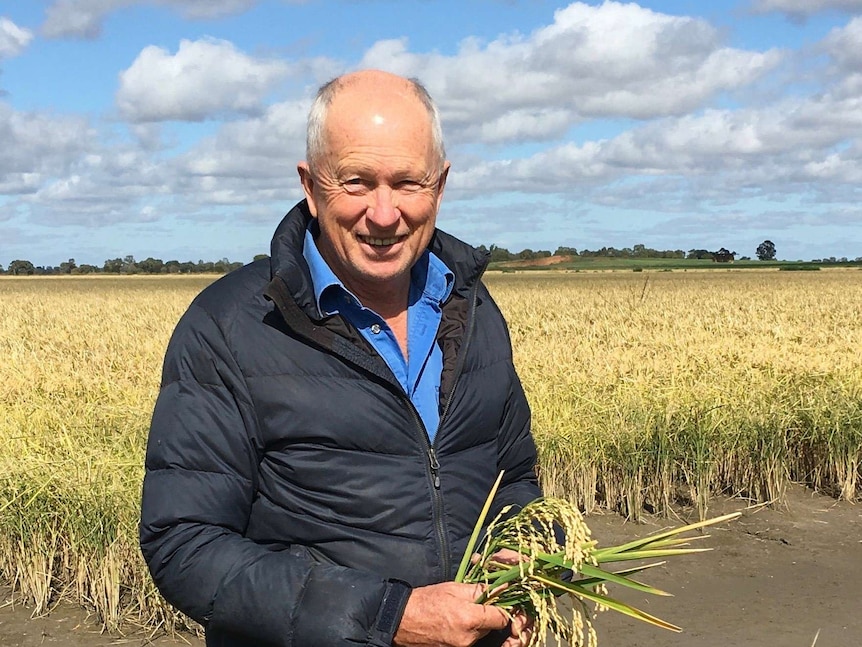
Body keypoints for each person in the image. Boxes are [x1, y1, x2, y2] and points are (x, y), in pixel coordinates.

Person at [140, 69, 542, 647]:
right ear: (311, 185)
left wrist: (528, 564)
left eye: (408, 182)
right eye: (356, 181)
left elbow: (516, 478)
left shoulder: (472, 307)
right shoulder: (230, 326)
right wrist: (389, 618)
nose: (384, 214)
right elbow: (184, 543)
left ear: (441, 184)